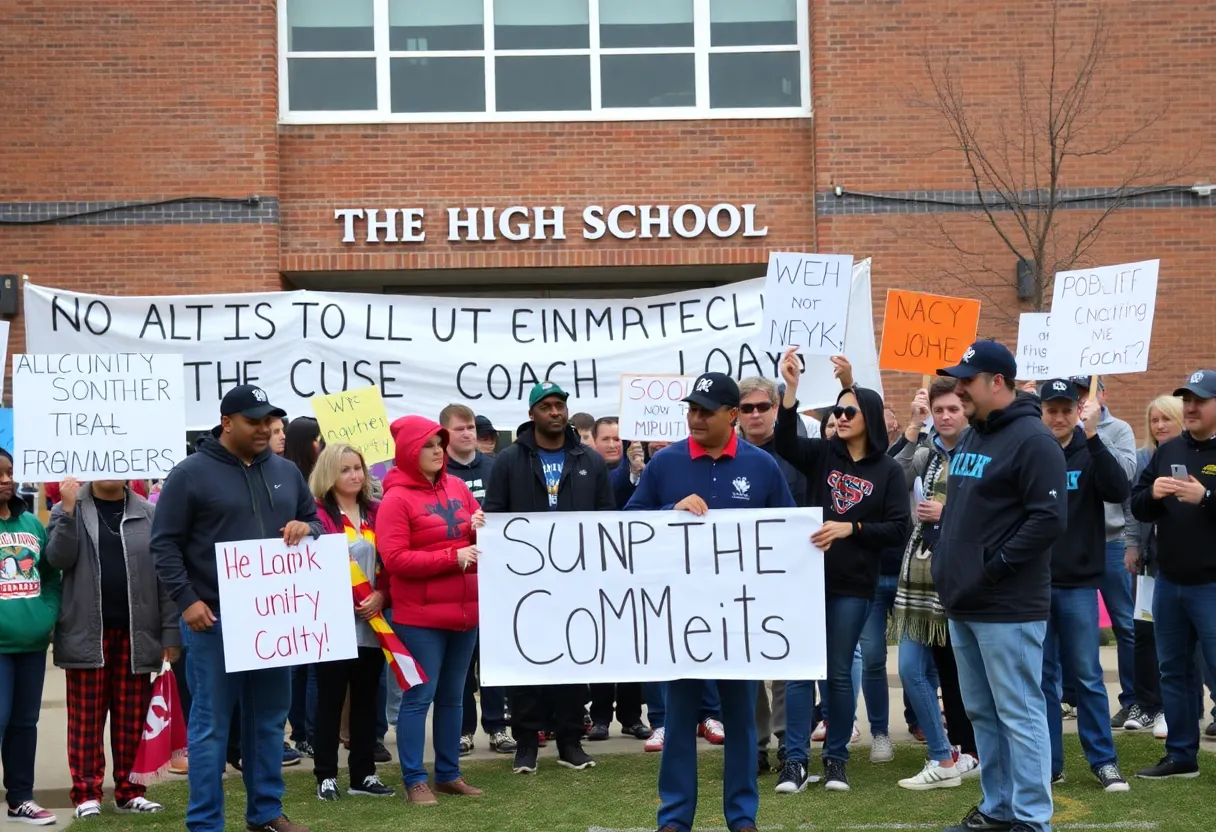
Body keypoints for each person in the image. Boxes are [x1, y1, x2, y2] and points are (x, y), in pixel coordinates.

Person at [626, 371, 796, 832]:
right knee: (679, 720)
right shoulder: (666, 464)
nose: (695, 418)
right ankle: (674, 819)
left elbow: (786, 532)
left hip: (741, 619)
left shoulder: (762, 466)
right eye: (691, 410)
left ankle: (742, 817)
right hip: (680, 617)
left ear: (732, 416)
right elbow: (629, 524)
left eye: (705, 411)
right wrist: (669, 512)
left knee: (741, 721)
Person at [152, 384, 322, 832]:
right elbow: (163, 544)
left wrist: (309, 527)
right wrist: (187, 601)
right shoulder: (189, 474)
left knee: (268, 722)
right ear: (227, 423)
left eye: (270, 420)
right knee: (211, 728)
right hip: (214, 623)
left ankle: (265, 813)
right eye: (254, 420)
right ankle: (205, 823)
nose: (265, 428)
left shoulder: (286, 471)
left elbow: (318, 523)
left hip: (276, 620)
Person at [933, 341, 1067, 832]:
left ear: (997, 382)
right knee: (982, 714)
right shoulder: (975, 435)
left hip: (1008, 603)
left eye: (967, 380)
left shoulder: (1033, 439)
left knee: (1019, 712)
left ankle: (1032, 819)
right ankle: (999, 807)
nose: (959, 387)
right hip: (965, 600)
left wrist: (992, 566)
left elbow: (1049, 519)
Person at [774, 350, 910, 793]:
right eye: (837, 409)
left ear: (868, 417)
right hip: (807, 580)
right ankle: (794, 762)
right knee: (798, 671)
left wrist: (851, 528)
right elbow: (787, 443)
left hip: (853, 585)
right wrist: (791, 391)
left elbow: (898, 528)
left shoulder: (888, 470)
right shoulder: (824, 454)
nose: (841, 415)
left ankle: (835, 760)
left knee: (835, 673)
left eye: (849, 409)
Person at [482, 381, 613, 775]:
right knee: (526, 664)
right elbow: (495, 514)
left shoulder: (588, 459)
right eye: (547, 406)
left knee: (573, 662)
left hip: (577, 581)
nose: (555, 412)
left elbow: (606, 515)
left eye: (561, 406)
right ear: (532, 414)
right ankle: (526, 744)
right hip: (524, 582)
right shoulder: (509, 460)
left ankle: (570, 742)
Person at [46, 477, 179, 819]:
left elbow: (164, 576)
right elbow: (58, 559)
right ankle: (87, 794)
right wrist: (69, 510)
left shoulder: (148, 513)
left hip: (137, 633)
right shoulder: (69, 507)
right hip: (86, 632)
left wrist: (169, 633)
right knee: (85, 720)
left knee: (132, 718)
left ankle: (130, 791)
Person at [378, 415, 484, 804]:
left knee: (455, 696)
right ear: (408, 451)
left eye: (439, 443)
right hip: (420, 617)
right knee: (419, 696)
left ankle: (448, 774)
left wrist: (479, 527)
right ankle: (414, 779)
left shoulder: (457, 485)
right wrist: (450, 557)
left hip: (465, 612)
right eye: (428, 445)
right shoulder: (396, 499)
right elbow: (394, 559)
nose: (438, 450)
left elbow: (474, 539)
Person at [1037, 379, 1131, 790]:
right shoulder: (1032, 451)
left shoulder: (1090, 449)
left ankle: (1103, 760)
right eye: (1050, 410)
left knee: (1088, 676)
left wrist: (1092, 436)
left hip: (1077, 585)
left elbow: (1118, 489)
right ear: (1040, 412)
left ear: (1079, 410)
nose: (1058, 418)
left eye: (1065, 410)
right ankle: (1050, 764)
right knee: (1042, 682)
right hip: (1034, 586)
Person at [891, 380, 980, 790]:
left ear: (967, 411)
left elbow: (995, 510)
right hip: (918, 578)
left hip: (961, 576)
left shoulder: (981, 453)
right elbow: (893, 478)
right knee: (910, 668)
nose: (945, 416)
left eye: (953, 409)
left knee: (964, 675)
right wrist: (913, 425)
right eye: (939, 409)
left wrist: (950, 511)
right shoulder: (926, 452)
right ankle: (944, 756)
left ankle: (968, 753)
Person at [1131, 369, 1216, 779]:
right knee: (1174, 671)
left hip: (1212, 585)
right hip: (1170, 582)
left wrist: (1208, 497)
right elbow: (1138, 504)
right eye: (1187, 400)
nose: (1191, 407)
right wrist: (1153, 495)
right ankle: (1181, 755)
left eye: (1200, 399)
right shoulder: (1169, 449)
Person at [308, 444, 395, 801]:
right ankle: (325, 775)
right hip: (332, 623)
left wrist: (382, 596)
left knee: (366, 702)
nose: (355, 475)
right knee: (329, 701)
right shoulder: (317, 516)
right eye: (345, 469)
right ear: (330, 473)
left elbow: (391, 562)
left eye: (358, 468)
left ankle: (363, 774)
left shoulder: (377, 511)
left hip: (372, 622)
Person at [738, 376, 808, 774]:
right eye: (747, 408)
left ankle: (788, 743)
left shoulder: (797, 451)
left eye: (763, 407)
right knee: (745, 664)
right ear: (736, 414)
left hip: (788, 572)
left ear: (776, 407)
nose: (755, 415)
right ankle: (755, 744)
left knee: (784, 661)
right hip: (738, 573)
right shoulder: (723, 455)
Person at [437, 405, 511, 756]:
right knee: (462, 663)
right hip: (455, 576)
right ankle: (465, 730)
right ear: (444, 433)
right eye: (461, 428)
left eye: (471, 428)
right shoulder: (439, 473)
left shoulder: (495, 466)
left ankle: (497, 727)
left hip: (495, 576)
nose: (468, 434)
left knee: (493, 656)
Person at [1069, 377, 1139, 729]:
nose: (1080, 398)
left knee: (1124, 623)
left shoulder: (1119, 429)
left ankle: (1133, 699)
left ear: (1102, 395)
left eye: (1086, 391)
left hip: (1110, 542)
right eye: (1076, 391)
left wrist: (1095, 431)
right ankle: (1069, 696)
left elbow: (1124, 479)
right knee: (1069, 623)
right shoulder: (1057, 425)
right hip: (1073, 542)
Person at [0, 449, 60, 826]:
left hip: (33, 645)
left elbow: (52, 577)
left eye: (8, 472)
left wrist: (47, 614)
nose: (6, 479)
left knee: (25, 722)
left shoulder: (32, 524)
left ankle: (20, 797)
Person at [1123, 395, 1184, 735]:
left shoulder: (1195, 456)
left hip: (1187, 563)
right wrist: (1132, 546)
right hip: (1150, 561)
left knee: (1189, 639)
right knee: (1145, 632)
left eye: (1166, 419)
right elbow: (1133, 507)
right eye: (1154, 420)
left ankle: (1180, 709)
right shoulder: (1146, 458)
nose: (1159, 425)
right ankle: (1148, 705)